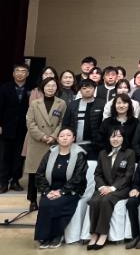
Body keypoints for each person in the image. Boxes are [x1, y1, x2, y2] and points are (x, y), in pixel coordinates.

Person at [34, 127, 88, 248]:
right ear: (57, 139)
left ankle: (57, 235)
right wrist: (47, 191)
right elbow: (40, 174)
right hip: (50, 189)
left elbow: (78, 177)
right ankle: (44, 236)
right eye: (62, 136)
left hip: (71, 190)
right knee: (45, 203)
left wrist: (62, 191)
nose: (65, 138)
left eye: (68, 135)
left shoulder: (80, 154)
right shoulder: (50, 152)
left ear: (73, 138)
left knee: (57, 203)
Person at [87, 127, 136, 249]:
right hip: (104, 188)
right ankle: (94, 234)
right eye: (113, 136)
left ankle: (103, 234)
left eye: (119, 136)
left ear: (123, 138)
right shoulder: (103, 153)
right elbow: (97, 174)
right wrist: (103, 186)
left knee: (105, 200)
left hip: (121, 188)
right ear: (108, 138)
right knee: (94, 201)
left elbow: (128, 175)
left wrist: (112, 188)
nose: (116, 139)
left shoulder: (129, 153)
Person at [25, 77, 68, 212]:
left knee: (51, 172)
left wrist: (53, 136)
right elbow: (30, 123)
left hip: (53, 142)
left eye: (53, 86)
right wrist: (42, 136)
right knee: (34, 173)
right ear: (43, 88)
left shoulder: (61, 103)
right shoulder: (35, 103)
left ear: (57, 88)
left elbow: (62, 122)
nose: (50, 88)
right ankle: (32, 200)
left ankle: (49, 198)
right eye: (48, 86)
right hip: (37, 142)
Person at [0, 63, 31, 193]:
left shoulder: (31, 89)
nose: (20, 73)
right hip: (6, 127)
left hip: (24, 129)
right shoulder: (4, 88)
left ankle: (15, 181)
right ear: (13, 73)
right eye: (17, 71)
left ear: (27, 74)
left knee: (19, 157)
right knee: (4, 156)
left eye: (23, 71)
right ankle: (3, 182)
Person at [62, 78, 106, 159]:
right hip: (75, 145)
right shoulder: (73, 105)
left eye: (90, 88)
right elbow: (65, 124)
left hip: (96, 146)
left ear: (94, 89)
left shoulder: (102, 104)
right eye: (84, 88)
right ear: (80, 90)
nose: (87, 90)